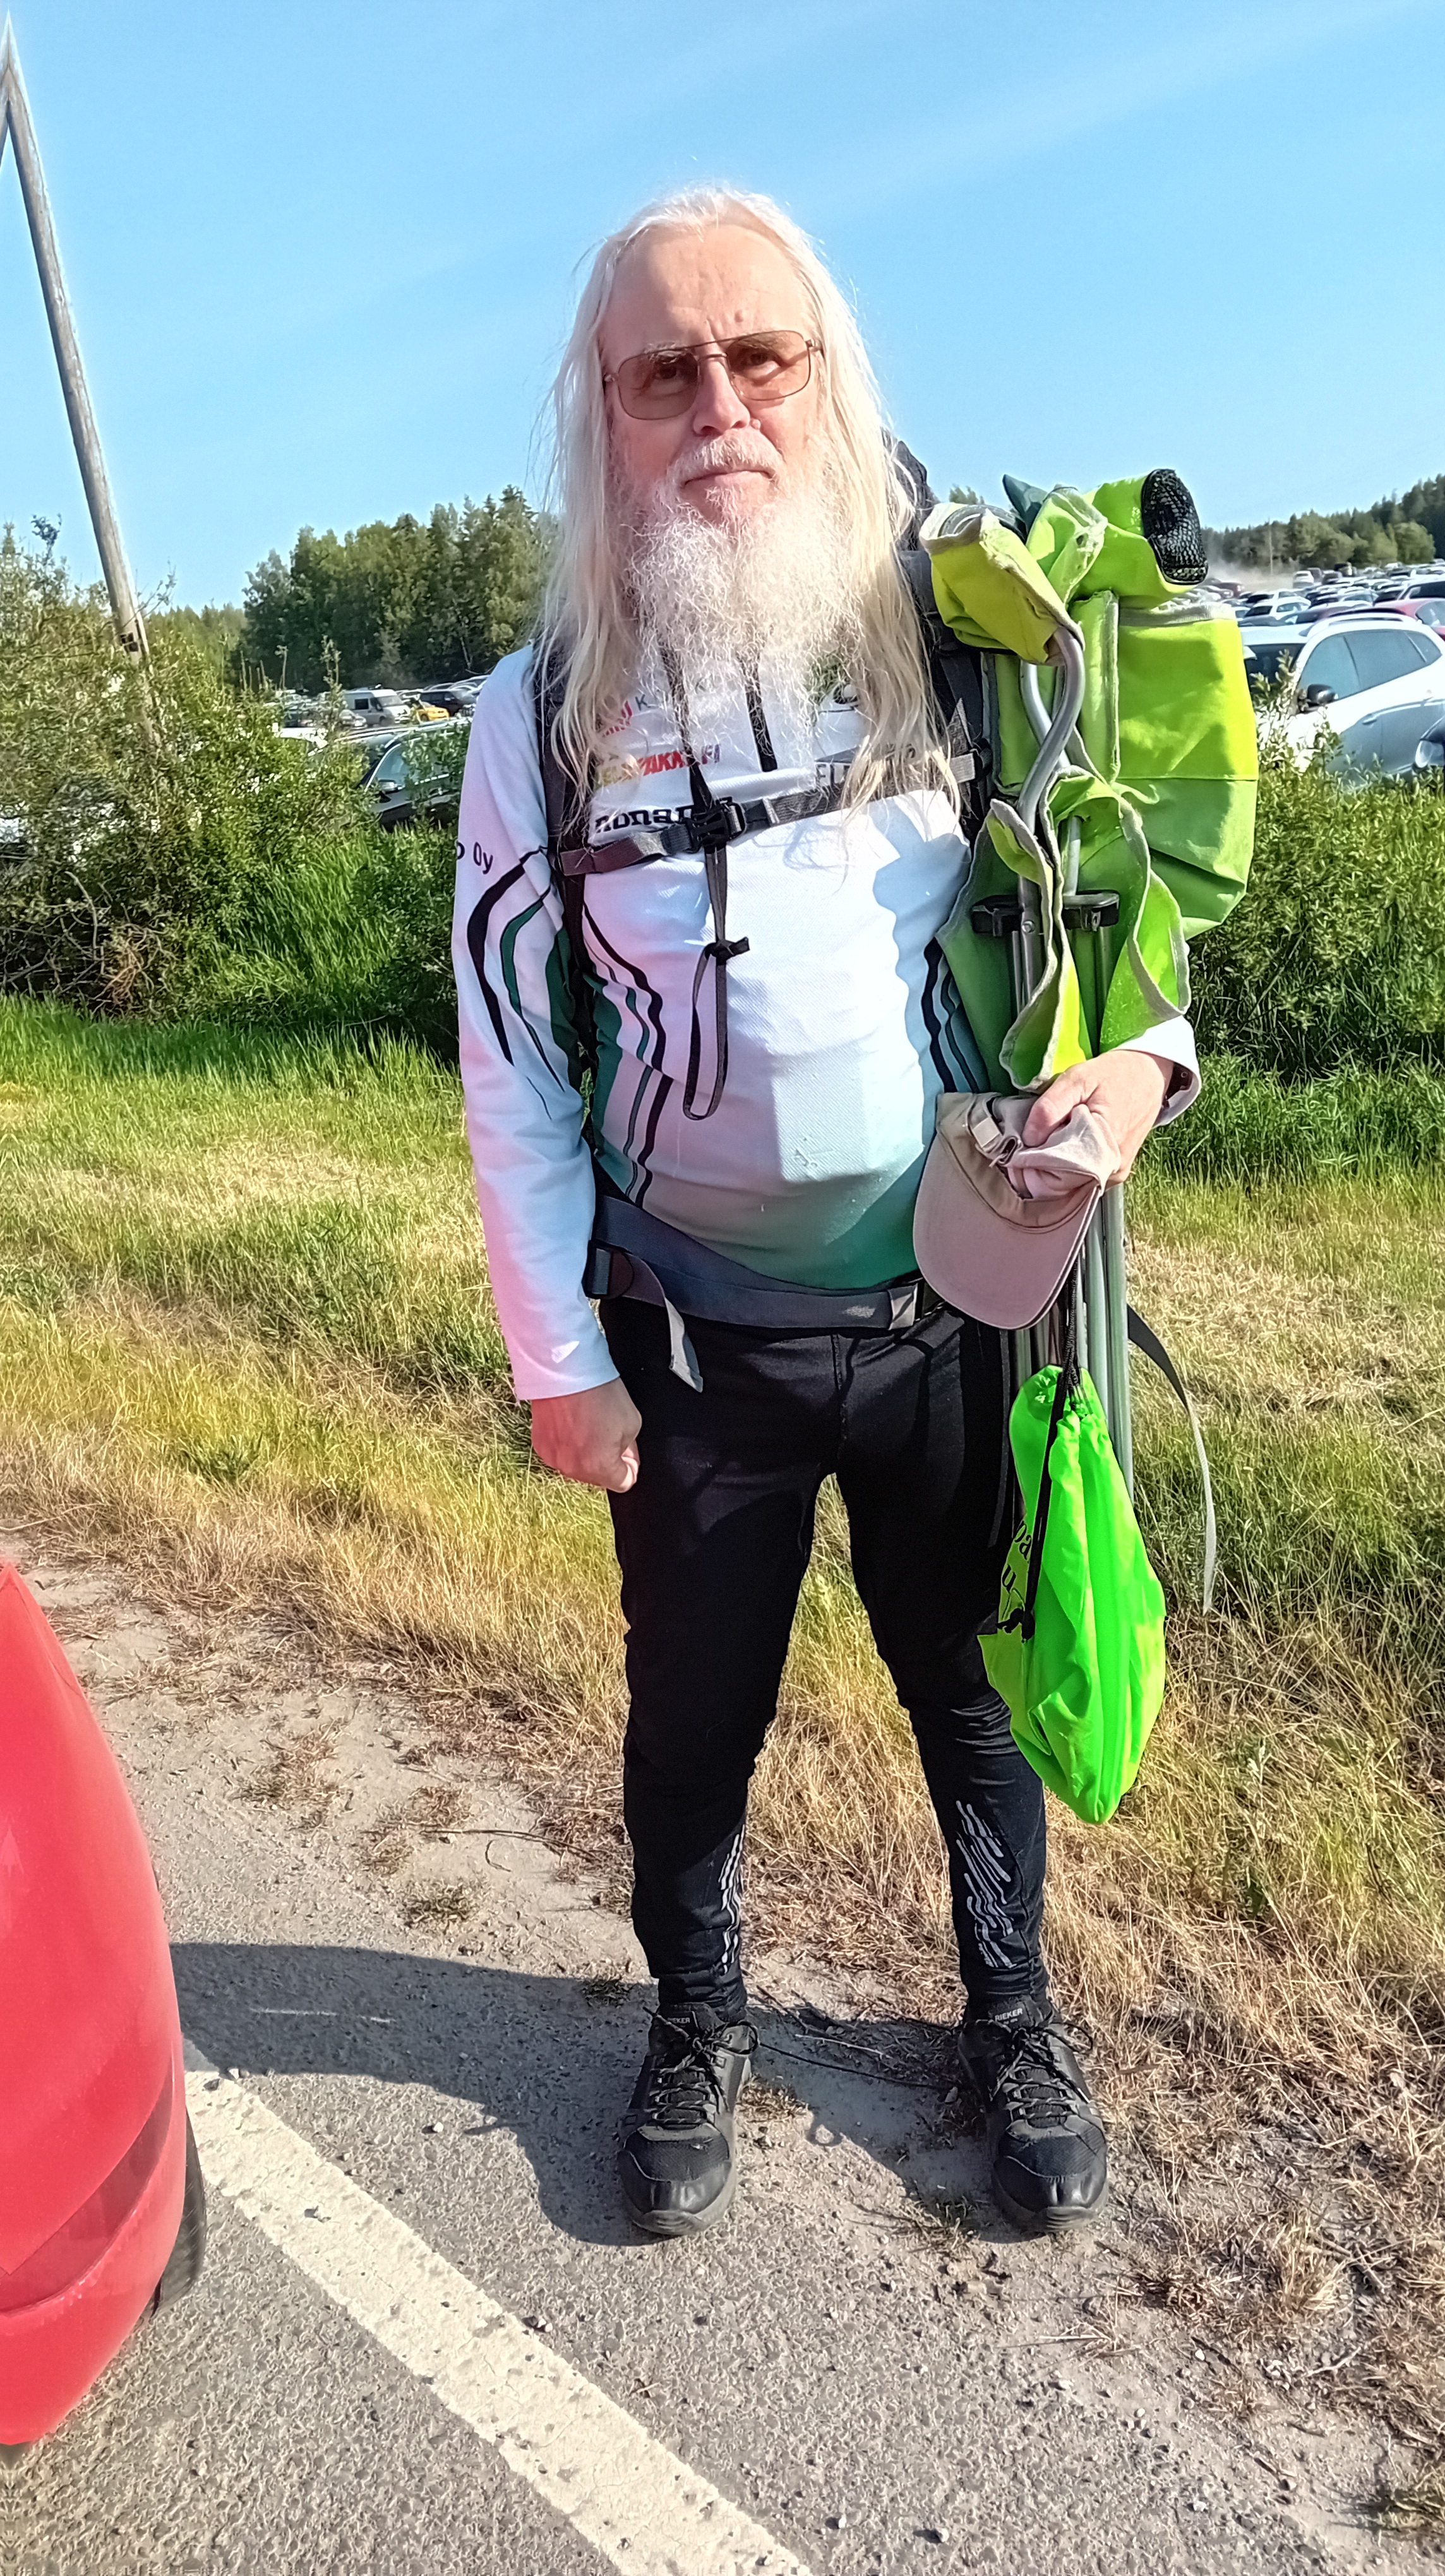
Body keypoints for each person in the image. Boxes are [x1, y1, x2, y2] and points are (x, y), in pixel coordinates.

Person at [452, 186, 1198, 2243]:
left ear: (829, 378)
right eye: (663, 373)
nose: (720, 407)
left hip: (951, 1319)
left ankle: (1012, 2015)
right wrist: (559, 1362)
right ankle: (698, 2018)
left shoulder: (964, 642)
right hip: (694, 1342)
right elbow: (511, 1058)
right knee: (695, 1718)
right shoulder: (540, 712)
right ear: (602, 416)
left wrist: (1134, 1083)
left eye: (759, 356)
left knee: (973, 1697)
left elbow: (1121, 931)